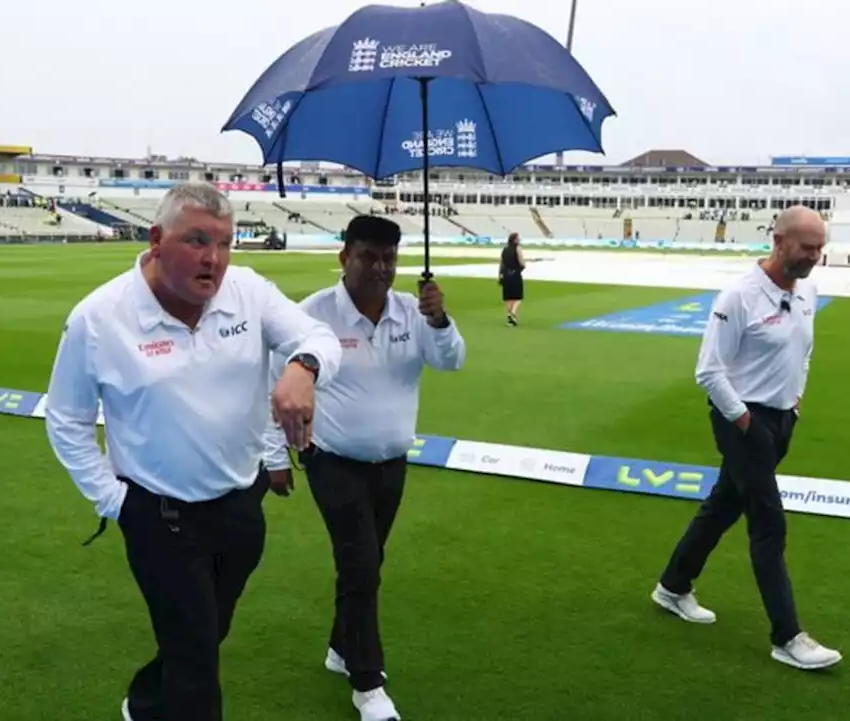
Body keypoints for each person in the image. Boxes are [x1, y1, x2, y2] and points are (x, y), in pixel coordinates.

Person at [43, 181, 343, 721]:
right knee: (196, 663)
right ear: (157, 240)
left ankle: (144, 701)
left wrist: (304, 368)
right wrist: (114, 502)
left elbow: (316, 336)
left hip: (238, 507)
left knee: (204, 634)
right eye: (197, 241)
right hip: (158, 516)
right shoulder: (99, 317)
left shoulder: (248, 291)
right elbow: (66, 419)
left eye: (226, 243)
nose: (214, 259)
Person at [262, 215, 466, 721]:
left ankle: (340, 647)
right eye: (368, 256)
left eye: (388, 259)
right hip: (330, 458)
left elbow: (450, 362)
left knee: (367, 563)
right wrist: (273, 457)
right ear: (344, 258)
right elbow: (272, 383)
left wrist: (439, 321)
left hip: (391, 462)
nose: (380, 268)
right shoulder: (311, 316)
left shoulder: (412, 311)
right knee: (360, 564)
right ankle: (367, 683)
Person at [650, 205, 842, 671]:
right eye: (806, 247)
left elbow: (804, 351)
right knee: (768, 523)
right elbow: (709, 372)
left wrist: (795, 402)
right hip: (742, 420)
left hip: (780, 419)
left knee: (722, 507)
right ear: (778, 242)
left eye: (820, 248)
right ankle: (788, 635)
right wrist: (746, 425)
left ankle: (672, 587)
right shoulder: (738, 296)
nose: (815, 256)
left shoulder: (808, 291)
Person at [498, 232, 525, 325]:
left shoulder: (505, 249)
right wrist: (521, 268)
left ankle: (510, 319)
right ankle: (513, 312)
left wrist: (500, 275)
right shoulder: (518, 248)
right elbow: (522, 262)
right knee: (518, 297)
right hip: (515, 274)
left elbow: (501, 263)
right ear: (515, 239)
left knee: (508, 298)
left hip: (505, 275)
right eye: (518, 238)